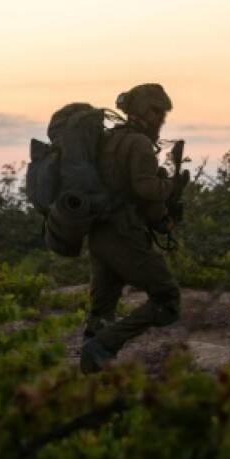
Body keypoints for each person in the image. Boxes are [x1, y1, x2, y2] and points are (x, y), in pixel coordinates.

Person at [79, 83, 182, 373]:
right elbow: (146, 189)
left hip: (99, 234)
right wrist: (170, 186)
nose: (161, 118)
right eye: (157, 111)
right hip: (122, 236)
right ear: (143, 111)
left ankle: (90, 373)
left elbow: (128, 192)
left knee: (102, 309)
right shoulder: (138, 144)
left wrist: (161, 220)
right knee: (167, 299)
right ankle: (103, 346)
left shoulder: (108, 139)